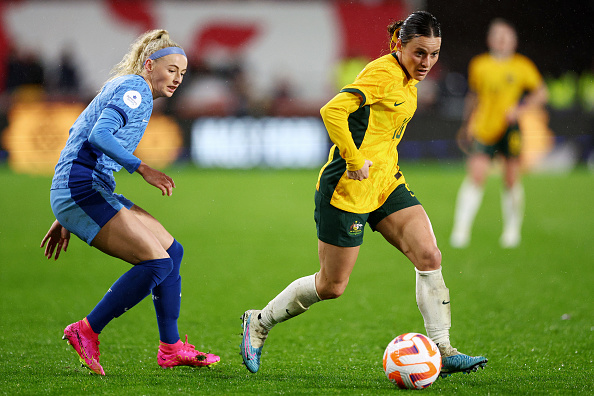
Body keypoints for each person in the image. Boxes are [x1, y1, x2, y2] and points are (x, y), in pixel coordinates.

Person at [240, 11, 488, 378]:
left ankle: (442, 347)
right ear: (400, 45)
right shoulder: (382, 73)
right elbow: (332, 110)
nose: (427, 63)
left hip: (386, 182)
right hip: (348, 187)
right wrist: (354, 159)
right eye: (420, 53)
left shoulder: (409, 79)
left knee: (429, 254)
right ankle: (259, 322)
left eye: (433, 54)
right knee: (331, 285)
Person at [40, 29, 220, 375]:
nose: (178, 78)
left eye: (183, 73)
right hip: (83, 187)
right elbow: (98, 134)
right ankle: (86, 330)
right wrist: (142, 168)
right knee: (155, 263)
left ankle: (170, 349)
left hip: (84, 188)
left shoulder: (129, 88)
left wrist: (63, 212)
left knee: (172, 252)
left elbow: (78, 129)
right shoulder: (135, 89)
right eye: (171, 70)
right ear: (149, 65)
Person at [450, 18, 548, 249]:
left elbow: (541, 94)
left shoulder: (522, 65)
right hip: (484, 128)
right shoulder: (479, 64)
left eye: (506, 36)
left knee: (511, 179)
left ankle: (512, 231)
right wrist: (466, 125)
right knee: (476, 176)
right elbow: (473, 96)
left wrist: (521, 109)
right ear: (490, 40)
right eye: (498, 35)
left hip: (510, 129)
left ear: (514, 41)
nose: (502, 40)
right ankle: (461, 231)